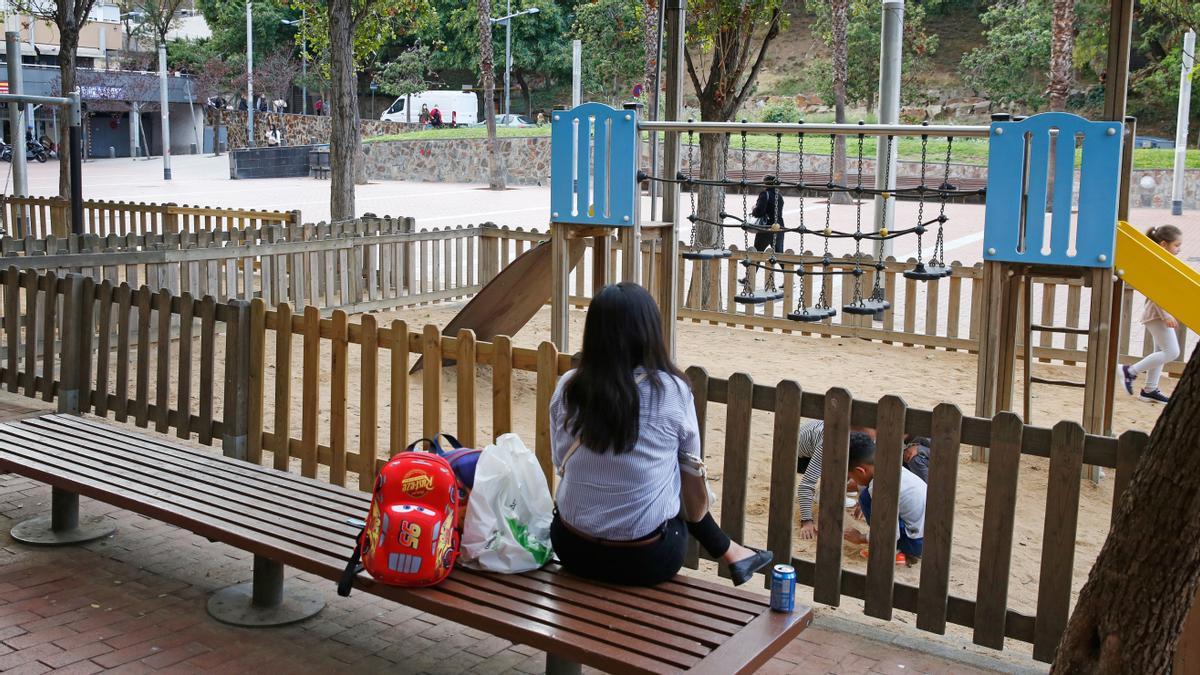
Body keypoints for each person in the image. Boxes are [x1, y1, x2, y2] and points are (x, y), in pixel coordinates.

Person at [550, 282, 774, 587]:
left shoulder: (568, 386)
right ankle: (730, 551)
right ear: (650, 332)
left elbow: (559, 458)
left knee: (652, 477)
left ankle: (733, 552)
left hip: (573, 548)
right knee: (670, 479)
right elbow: (691, 472)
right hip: (644, 560)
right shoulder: (671, 390)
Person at [796, 423, 929, 539]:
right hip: (800, 459)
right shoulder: (827, 445)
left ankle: (838, 489)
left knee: (855, 466)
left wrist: (863, 498)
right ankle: (825, 492)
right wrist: (806, 521)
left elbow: (869, 471)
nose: (873, 440)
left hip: (842, 453)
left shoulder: (864, 439)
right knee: (843, 466)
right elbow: (806, 485)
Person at [1121, 225, 1183, 404]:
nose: (1179, 249)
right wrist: (1166, 315)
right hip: (1157, 314)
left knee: (1162, 351)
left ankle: (1149, 390)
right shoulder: (1158, 262)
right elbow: (1156, 292)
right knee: (1172, 352)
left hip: (1158, 314)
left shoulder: (1163, 260)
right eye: (1176, 245)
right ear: (1163, 244)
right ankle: (1130, 371)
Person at [842, 432, 925, 565]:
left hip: (916, 543)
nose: (852, 480)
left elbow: (889, 533)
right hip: (931, 535)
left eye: (851, 476)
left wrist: (860, 538)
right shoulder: (889, 466)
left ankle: (896, 551)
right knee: (865, 496)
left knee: (865, 498)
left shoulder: (880, 487)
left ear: (860, 471)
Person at [750, 175, 785, 252]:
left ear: (766, 184)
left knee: (758, 253)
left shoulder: (765, 194)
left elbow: (759, 212)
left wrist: (754, 210)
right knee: (780, 255)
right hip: (779, 227)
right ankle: (786, 264)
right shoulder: (779, 196)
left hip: (767, 227)